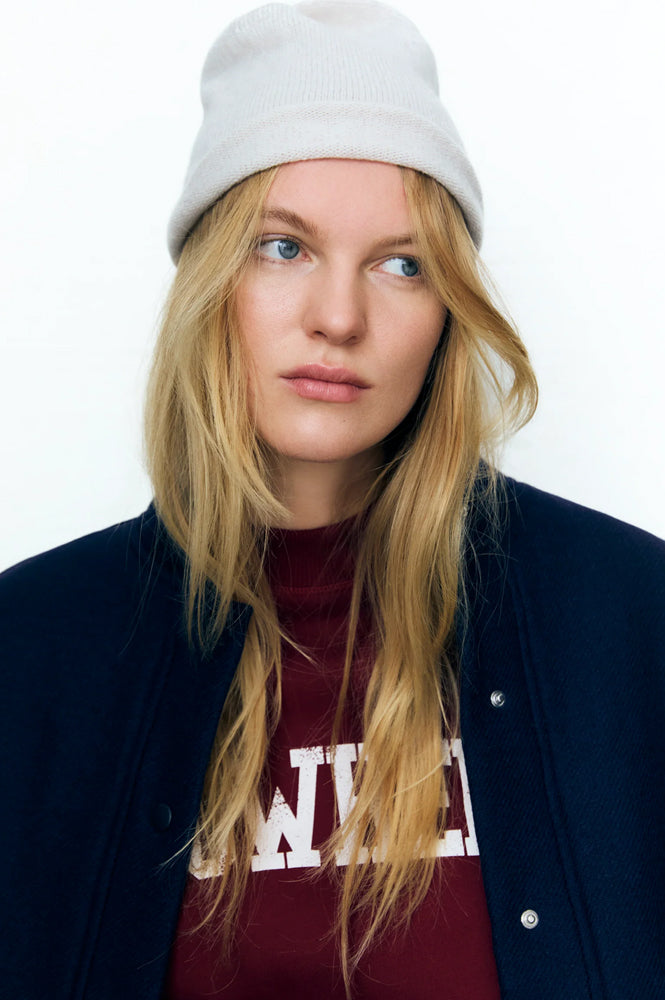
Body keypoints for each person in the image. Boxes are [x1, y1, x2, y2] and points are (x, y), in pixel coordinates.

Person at [1, 2, 664, 998]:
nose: (339, 317)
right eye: (283, 247)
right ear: (209, 282)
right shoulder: (33, 649)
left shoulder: (627, 618)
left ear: (447, 310)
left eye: (402, 264)